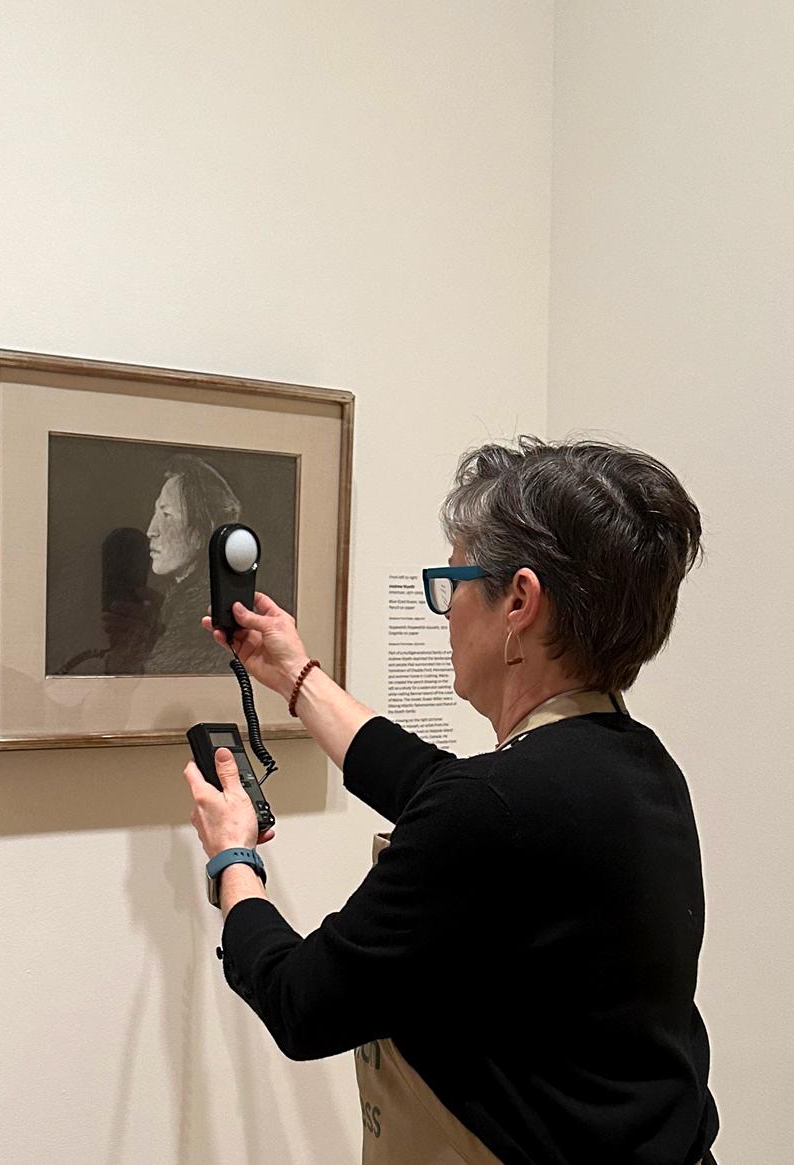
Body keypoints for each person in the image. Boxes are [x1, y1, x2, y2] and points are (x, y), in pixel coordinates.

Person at [182, 438, 719, 1164]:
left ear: (519, 602)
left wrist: (232, 858)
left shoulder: (494, 805)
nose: (445, 609)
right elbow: (433, 786)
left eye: (453, 579)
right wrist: (294, 673)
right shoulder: (635, 764)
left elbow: (301, 1003)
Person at [102, 453, 243, 674]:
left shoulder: (204, 616)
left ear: (201, 532)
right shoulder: (173, 603)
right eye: (156, 511)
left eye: (166, 514)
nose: (151, 531)